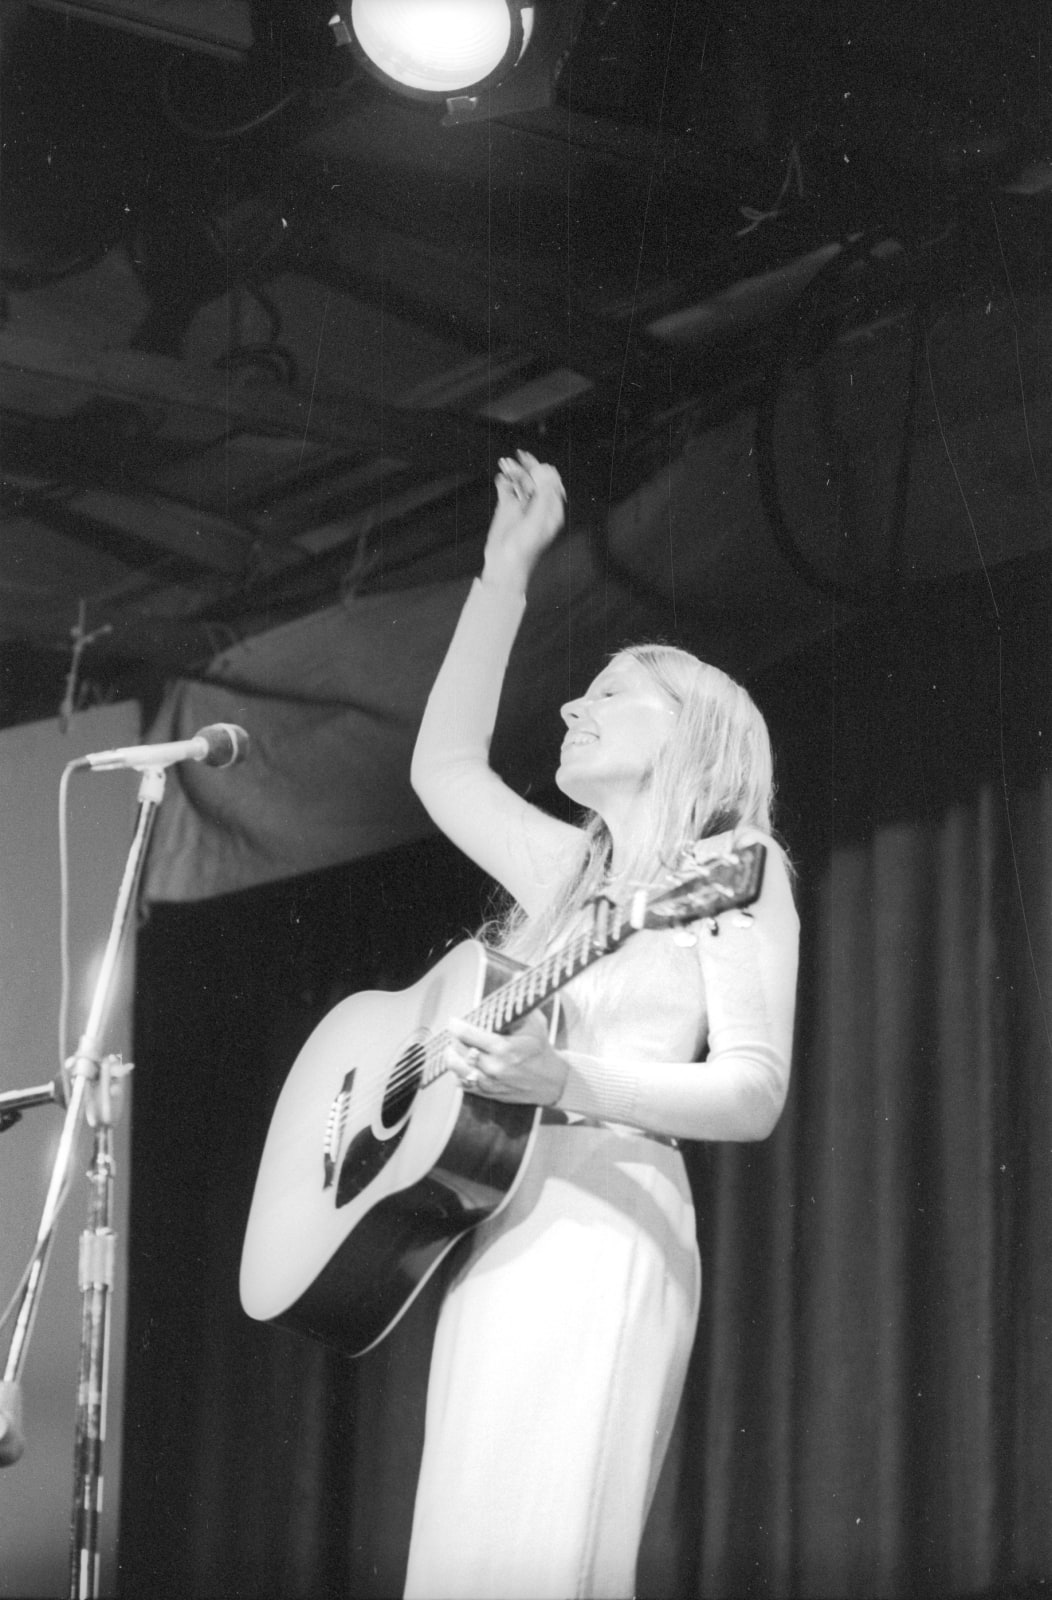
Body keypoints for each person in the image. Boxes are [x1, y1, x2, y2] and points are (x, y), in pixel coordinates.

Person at [403, 452, 800, 1600]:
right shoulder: (563, 876)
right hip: (502, 1218)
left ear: (694, 735)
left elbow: (752, 1088)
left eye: (612, 690)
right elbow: (440, 766)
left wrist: (561, 1075)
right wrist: (500, 573)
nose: (573, 703)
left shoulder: (730, 867)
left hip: (609, 1221)